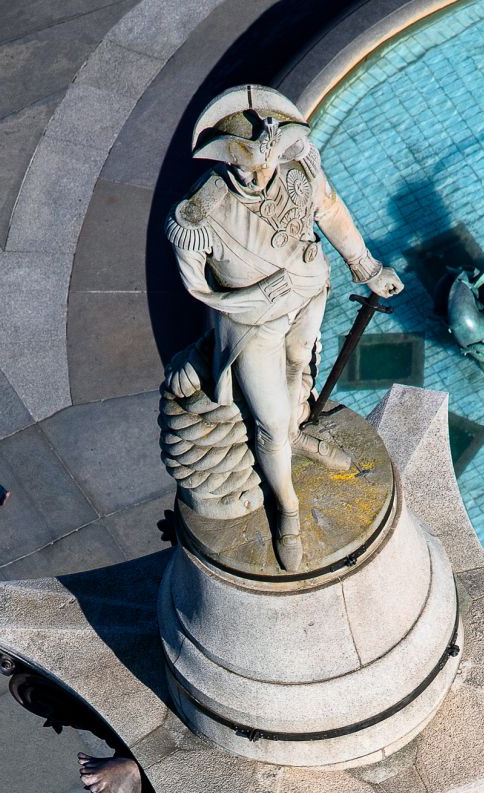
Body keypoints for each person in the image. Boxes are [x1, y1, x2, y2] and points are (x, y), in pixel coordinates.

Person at [166, 85, 402, 569]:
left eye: (265, 163)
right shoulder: (196, 214)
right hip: (253, 326)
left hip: (310, 295)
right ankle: (287, 508)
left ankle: (298, 437)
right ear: (224, 160)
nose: (257, 174)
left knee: (301, 371)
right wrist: (256, 296)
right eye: (245, 166)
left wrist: (367, 267)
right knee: (270, 421)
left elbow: (332, 212)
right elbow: (197, 291)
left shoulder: (299, 171)